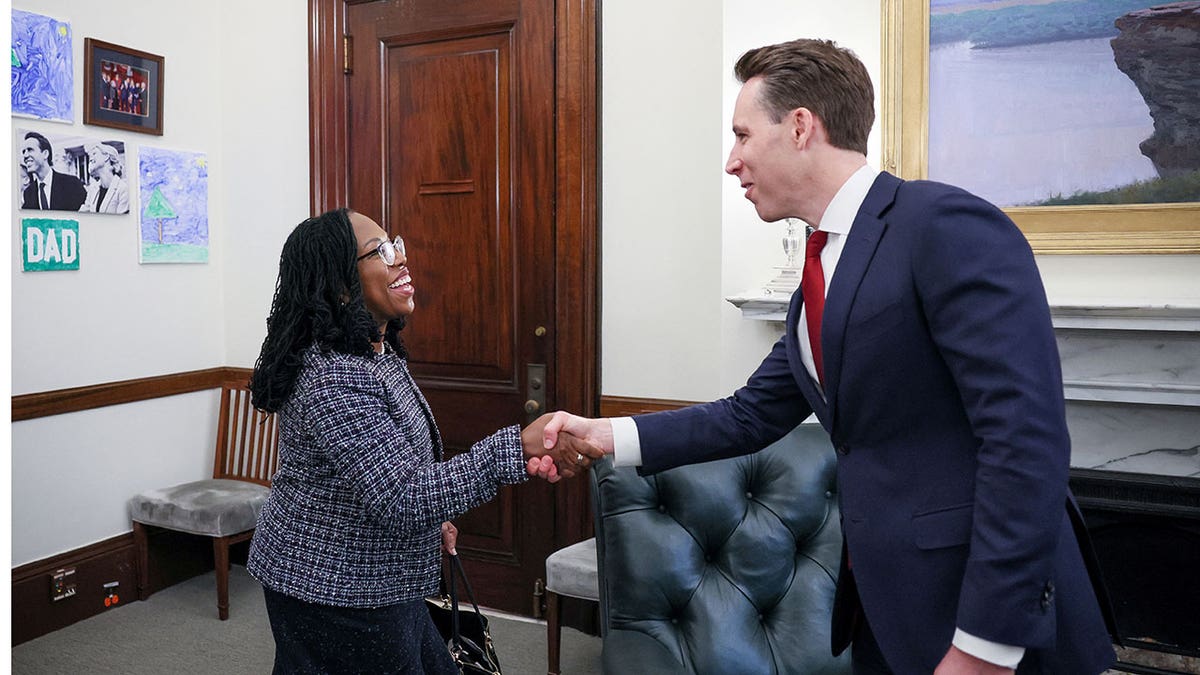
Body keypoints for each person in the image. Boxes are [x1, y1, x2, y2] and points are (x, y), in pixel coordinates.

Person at [545, 39, 1118, 674]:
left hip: (982, 623)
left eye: (741, 135)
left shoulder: (944, 225)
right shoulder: (816, 278)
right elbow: (747, 416)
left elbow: (1025, 441)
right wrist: (602, 435)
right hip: (885, 611)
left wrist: (983, 647)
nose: (732, 161)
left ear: (799, 126)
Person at [246, 208, 599, 674]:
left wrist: (431, 526)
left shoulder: (376, 353)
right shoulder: (332, 377)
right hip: (335, 591)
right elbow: (401, 497)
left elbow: (392, 477)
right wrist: (517, 447)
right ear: (339, 284)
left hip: (379, 579)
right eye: (381, 252)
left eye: (397, 244)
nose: (401, 260)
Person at [20, 131, 87, 211]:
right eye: (23, 152)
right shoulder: (28, 193)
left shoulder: (71, 183)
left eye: (30, 150)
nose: (25, 155)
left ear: (45, 154)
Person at [81, 143, 130, 214]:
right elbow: (83, 213)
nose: (90, 157)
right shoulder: (93, 190)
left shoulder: (123, 189)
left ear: (106, 156)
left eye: (94, 153)